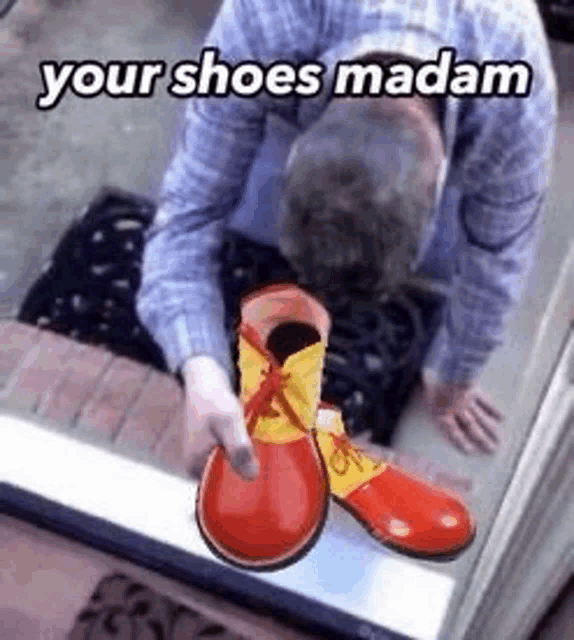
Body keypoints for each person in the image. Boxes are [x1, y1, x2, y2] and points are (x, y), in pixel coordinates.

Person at [136, 0, 557, 481]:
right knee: (244, 210)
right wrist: (200, 370)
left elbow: (498, 253)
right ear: (293, 154)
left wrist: (455, 370)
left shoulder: (516, 97)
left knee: (442, 267)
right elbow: (189, 213)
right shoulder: (264, 22)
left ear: (443, 181)